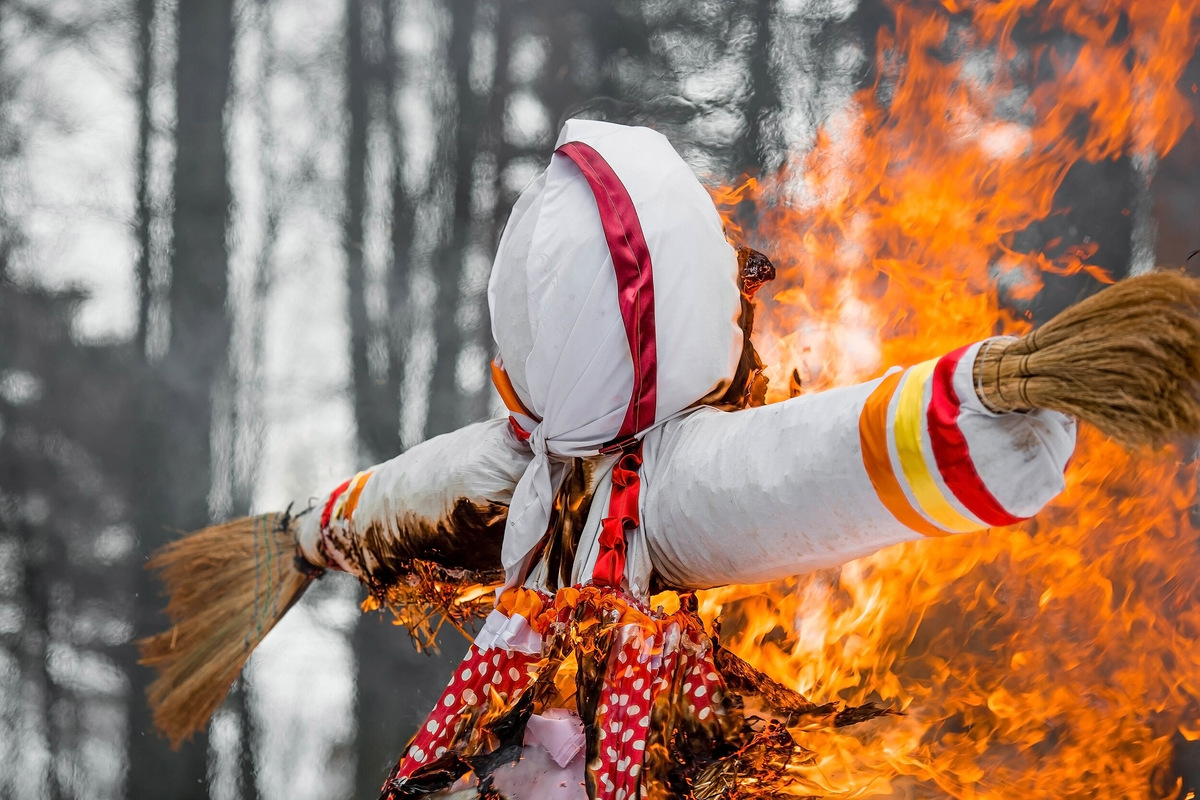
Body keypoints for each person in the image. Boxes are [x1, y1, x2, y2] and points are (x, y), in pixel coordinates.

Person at [292, 119, 1084, 799]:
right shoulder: (662, 476)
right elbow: (812, 463)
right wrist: (986, 411)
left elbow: (409, 491)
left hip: (502, 759)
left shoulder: (526, 455)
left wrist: (311, 531)